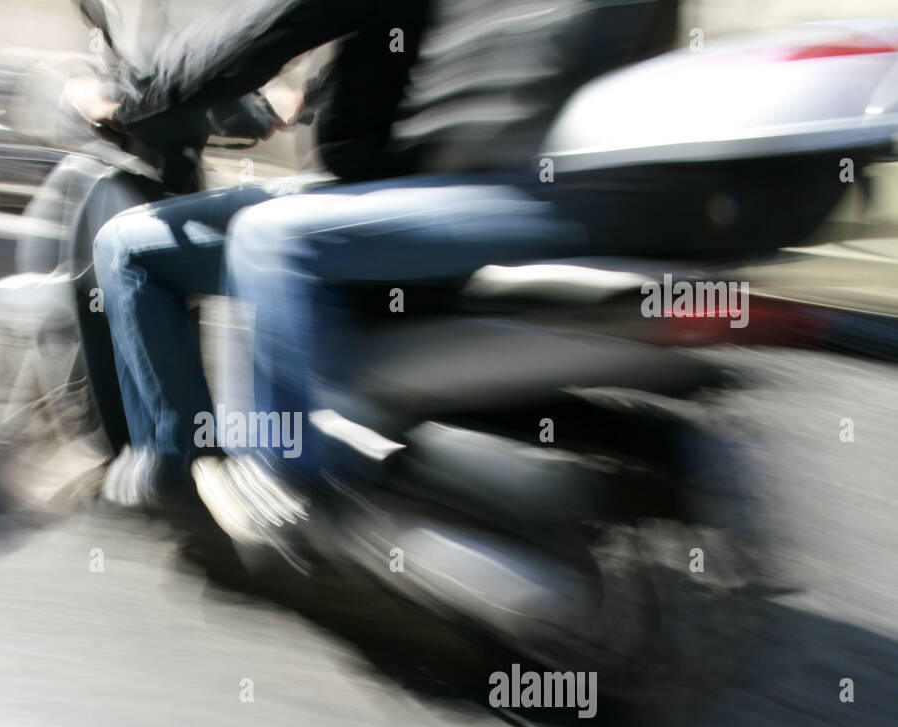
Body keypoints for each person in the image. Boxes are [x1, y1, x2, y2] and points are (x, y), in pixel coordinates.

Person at [67, 0, 679, 538]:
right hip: (524, 201)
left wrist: (128, 101)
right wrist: (309, 96)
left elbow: (242, 44)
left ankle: (191, 471)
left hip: (413, 204)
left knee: (130, 247)